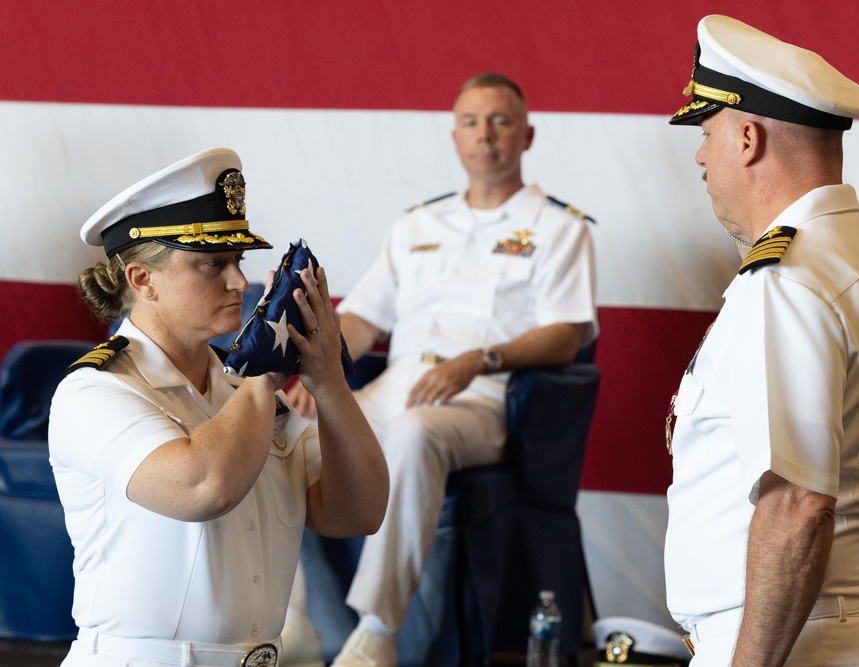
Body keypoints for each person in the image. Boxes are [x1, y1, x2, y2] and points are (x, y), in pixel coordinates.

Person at [285, 72, 599, 667]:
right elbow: (360, 322)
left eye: (501, 121)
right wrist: (315, 376)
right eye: (472, 123)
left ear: (527, 136)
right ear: (454, 138)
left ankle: (378, 631)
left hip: (484, 397)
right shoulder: (417, 225)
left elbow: (569, 334)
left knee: (416, 431)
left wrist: (478, 360)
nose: (486, 135)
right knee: (289, 434)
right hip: (396, 383)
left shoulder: (561, 228)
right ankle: (299, 620)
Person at [662, 15, 859, 667]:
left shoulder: (785, 281)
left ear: (748, 138)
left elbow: (796, 502)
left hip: (799, 641)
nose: (701, 157)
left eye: (707, 134)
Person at [48, 147, 390, 667]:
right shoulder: (95, 390)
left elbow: (357, 512)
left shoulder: (247, 395)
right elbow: (203, 487)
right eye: (212, 263)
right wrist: (263, 375)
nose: (238, 282)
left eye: (238, 262)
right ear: (142, 280)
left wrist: (330, 384)